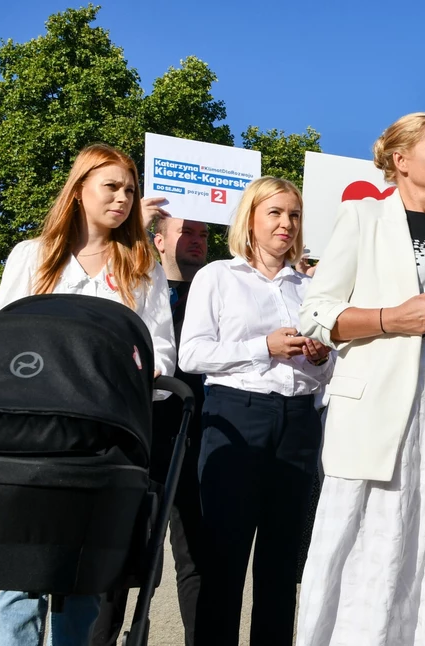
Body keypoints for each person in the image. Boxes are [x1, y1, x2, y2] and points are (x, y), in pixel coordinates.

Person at [295, 112, 425, 645]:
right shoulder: (364, 218)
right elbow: (315, 312)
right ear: (401, 161)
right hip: (386, 410)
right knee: (375, 549)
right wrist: (390, 318)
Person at [0, 143, 176, 646]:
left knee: (84, 577)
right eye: (111, 186)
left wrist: (134, 370)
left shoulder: (142, 266)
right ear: (78, 191)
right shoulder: (31, 256)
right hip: (35, 435)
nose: (123, 198)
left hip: (103, 435)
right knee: (21, 576)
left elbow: (162, 351)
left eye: (130, 190)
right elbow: (0, 340)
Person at [178, 177, 333, 646]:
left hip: (300, 421)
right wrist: (262, 347)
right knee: (223, 559)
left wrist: (323, 359)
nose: (286, 223)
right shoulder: (217, 276)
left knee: (282, 566)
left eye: (295, 215)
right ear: (250, 218)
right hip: (236, 418)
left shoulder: (313, 288)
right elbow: (192, 355)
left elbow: (327, 374)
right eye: (276, 213)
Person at [89, 215, 210, 646]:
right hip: (139, 436)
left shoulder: (216, 289)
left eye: (204, 234)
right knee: (121, 556)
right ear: (158, 240)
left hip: (199, 438)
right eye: (186, 232)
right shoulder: (138, 286)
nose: (197, 241)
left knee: (196, 558)